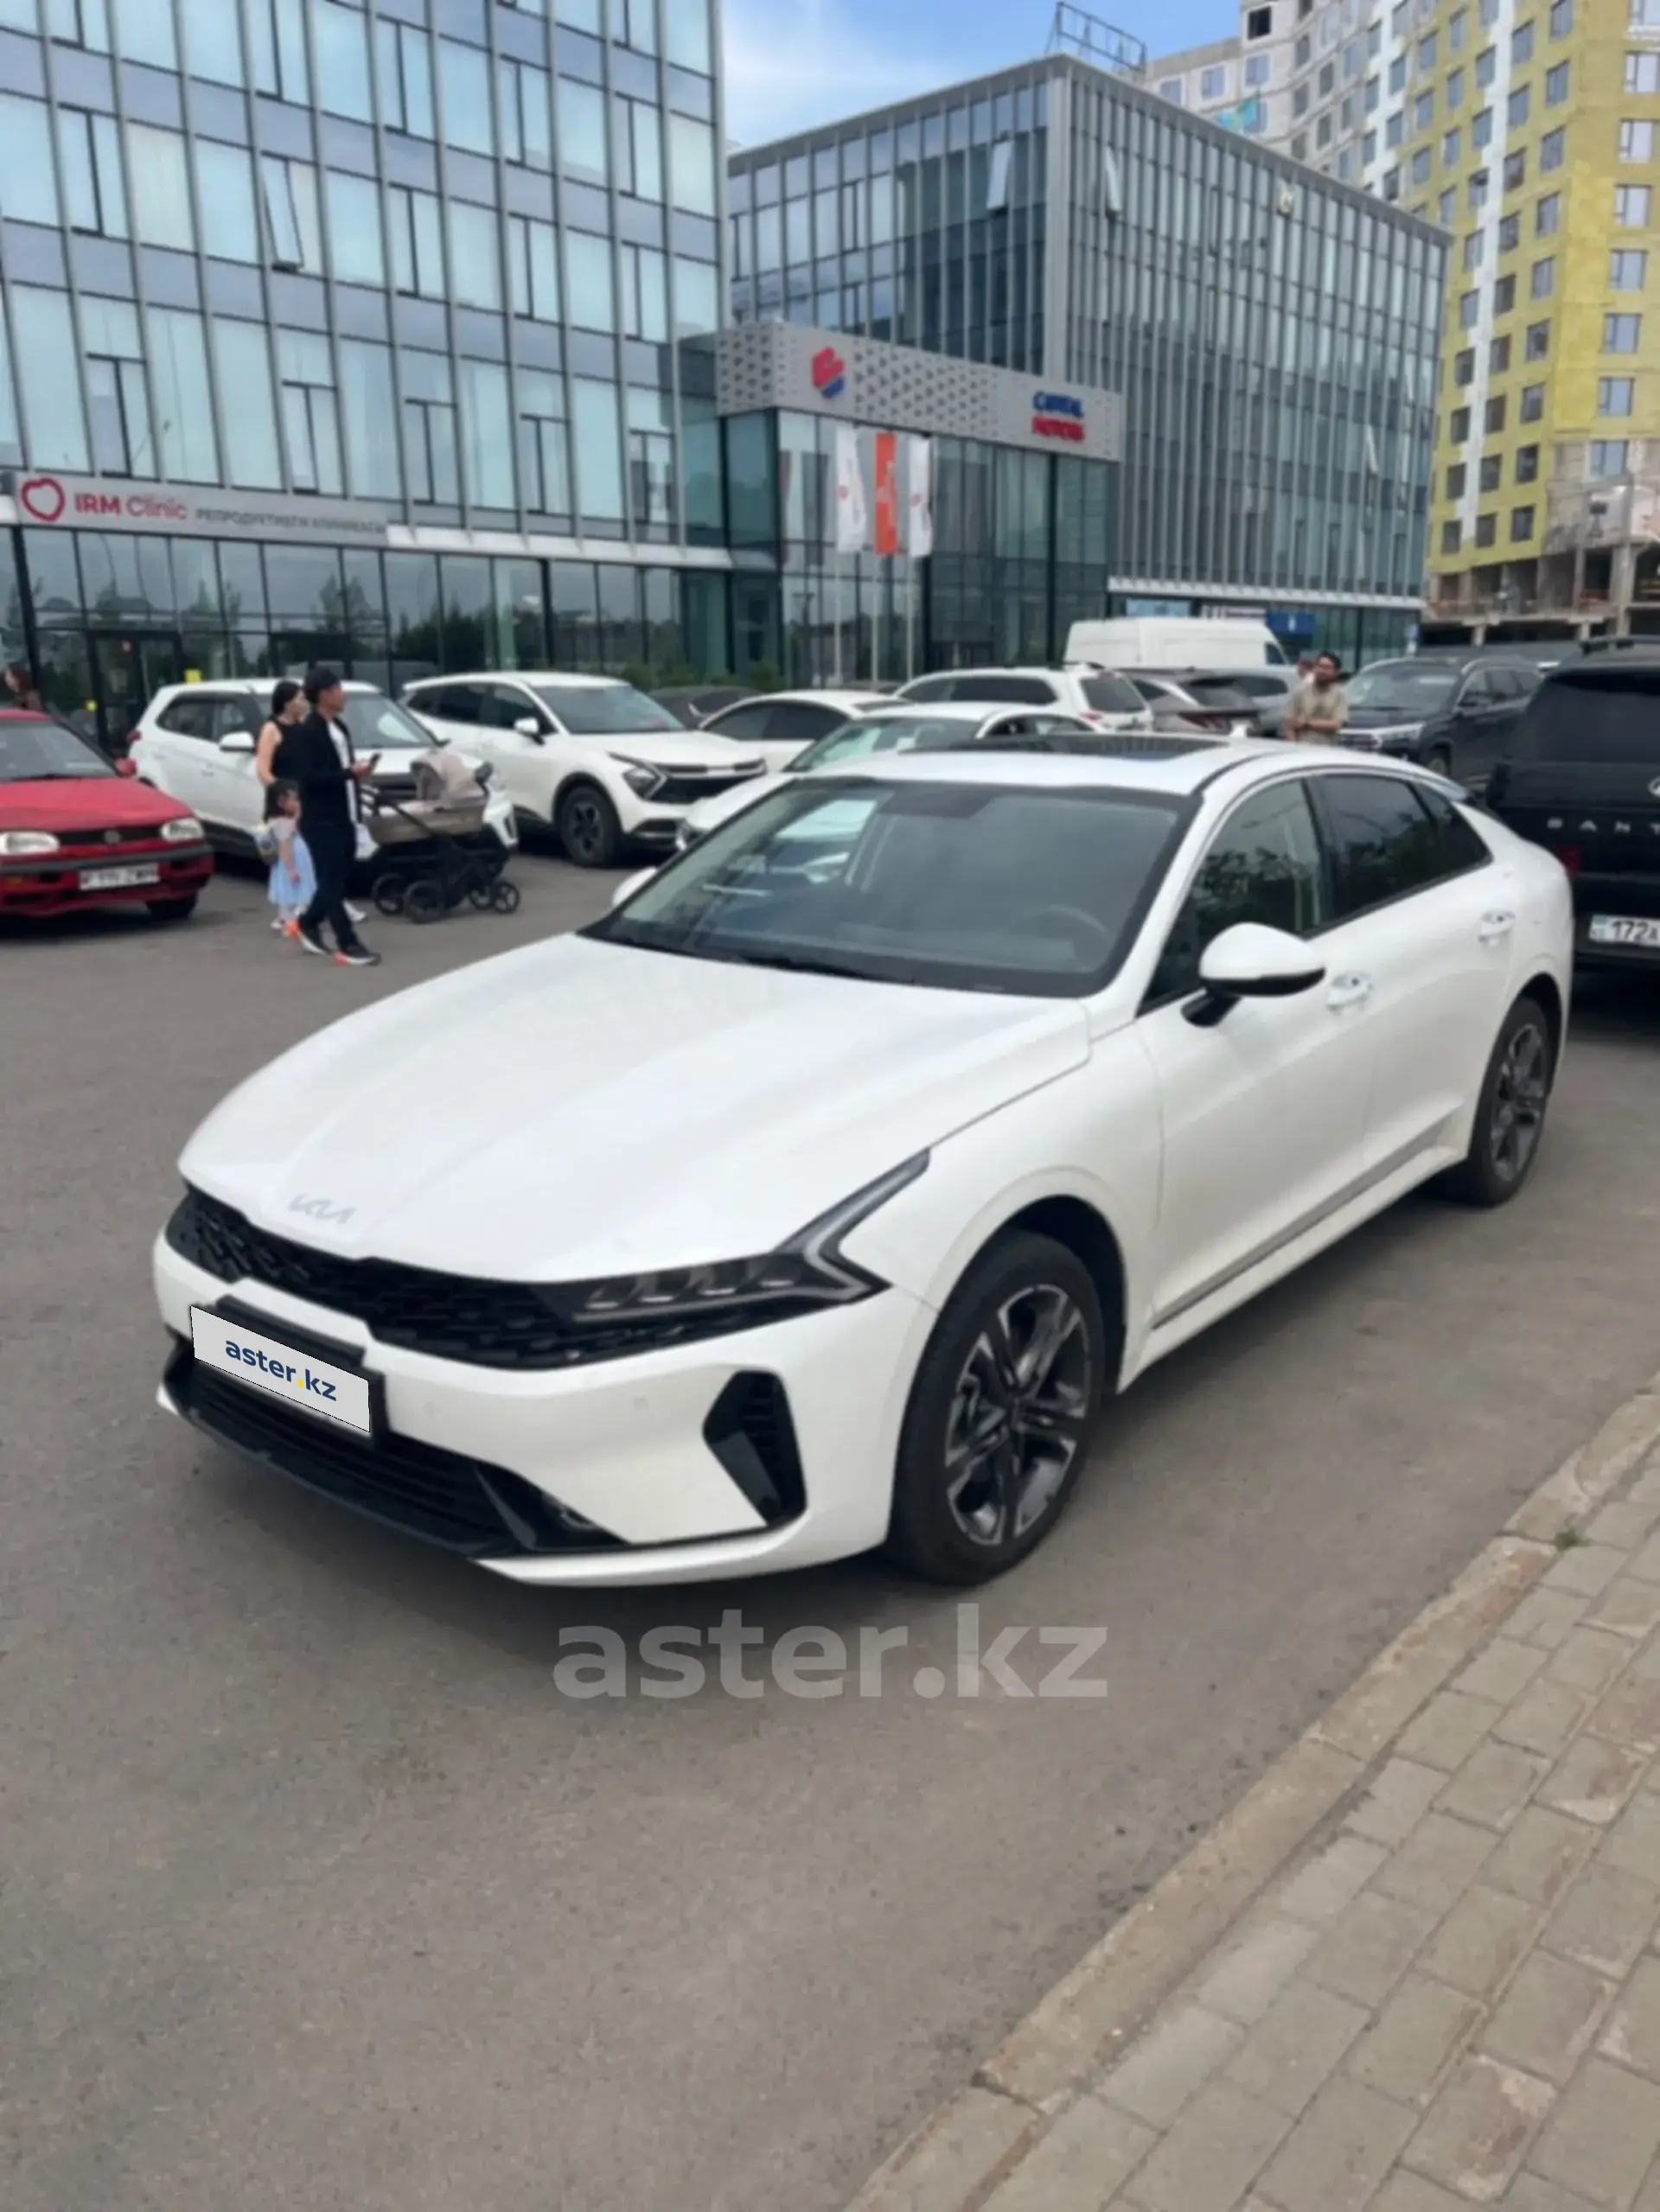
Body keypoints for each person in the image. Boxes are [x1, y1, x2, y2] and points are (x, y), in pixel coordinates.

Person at [273, 666, 380, 966]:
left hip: (346, 813)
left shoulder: (339, 728)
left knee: (338, 878)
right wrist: (348, 774)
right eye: (337, 689)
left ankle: (308, 922)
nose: (342, 695)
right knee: (331, 881)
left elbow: (341, 769)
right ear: (324, 694)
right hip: (320, 818)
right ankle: (347, 943)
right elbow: (309, 778)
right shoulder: (308, 732)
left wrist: (356, 773)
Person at [258, 678, 368, 926]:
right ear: (286, 703)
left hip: (309, 798)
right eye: (298, 698)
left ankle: (329, 902)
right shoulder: (272, 729)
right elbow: (263, 770)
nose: (303, 702)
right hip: (286, 802)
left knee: (318, 858)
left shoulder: (307, 728)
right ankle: (288, 911)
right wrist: (284, 796)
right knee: (291, 855)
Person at [259, 780, 316, 939]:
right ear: (281, 802)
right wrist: (292, 869)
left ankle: (283, 918)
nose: (298, 803)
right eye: (294, 799)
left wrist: (298, 814)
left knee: (288, 892)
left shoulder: (278, 821)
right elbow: (285, 846)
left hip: (288, 863)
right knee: (296, 891)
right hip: (293, 862)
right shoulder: (283, 824)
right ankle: (293, 922)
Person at [1284, 651, 1350, 743]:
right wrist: (1293, 745)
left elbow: (1337, 723)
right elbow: (1289, 723)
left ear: (1336, 672)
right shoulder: (1300, 691)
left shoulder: (1339, 695)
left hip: (1327, 748)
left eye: (1327, 668)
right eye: (1319, 666)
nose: (1322, 671)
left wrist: (1307, 723)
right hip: (1302, 747)